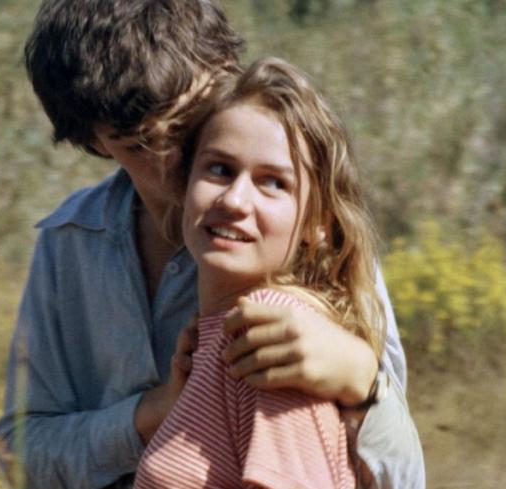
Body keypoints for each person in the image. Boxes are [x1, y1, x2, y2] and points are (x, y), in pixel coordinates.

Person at [0, 1, 423, 488]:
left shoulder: (302, 238)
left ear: (223, 74)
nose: (173, 159)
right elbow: (20, 452)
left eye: (187, 124)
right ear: (94, 141)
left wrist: (360, 379)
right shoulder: (70, 242)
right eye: (138, 144)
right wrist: (152, 414)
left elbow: (405, 474)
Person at [135, 57, 420, 488]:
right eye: (219, 169)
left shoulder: (274, 334)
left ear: (317, 225)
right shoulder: (216, 336)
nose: (235, 200)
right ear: (185, 183)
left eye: (273, 183)